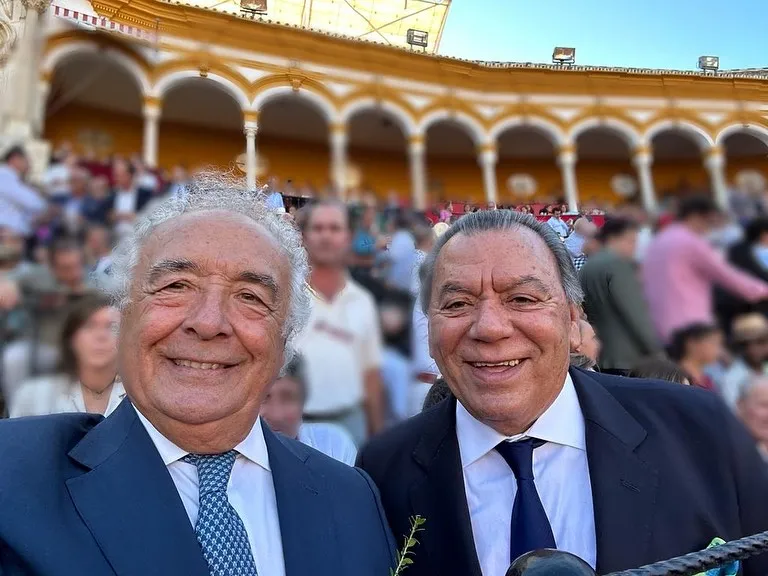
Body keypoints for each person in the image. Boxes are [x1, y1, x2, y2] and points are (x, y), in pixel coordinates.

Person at [0, 173, 396, 576]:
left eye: (249, 297)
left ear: (285, 341)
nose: (208, 322)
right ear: (123, 317)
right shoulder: (15, 478)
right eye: (176, 286)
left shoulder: (352, 500)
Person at [358, 210, 768, 576]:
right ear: (429, 330)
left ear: (573, 321)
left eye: (522, 298)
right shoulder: (383, 471)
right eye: (458, 304)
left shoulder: (698, 430)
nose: (489, 327)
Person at [297, 200, 385, 446]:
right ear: (305, 236)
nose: (326, 236)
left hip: (350, 423)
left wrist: (377, 437)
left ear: (347, 237)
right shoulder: (287, 296)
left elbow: (371, 374)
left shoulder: (362, 301)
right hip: (295, 425)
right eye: (319, 228)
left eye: (334, 228)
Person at [642, 195, 768, 344]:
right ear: (696, 216)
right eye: (709, 220)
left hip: (658, 322)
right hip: (689, 322)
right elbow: (726, 276)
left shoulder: (660, 239)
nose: (710, 226)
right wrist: (763, 290)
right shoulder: (689, 241)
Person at [10, 294, 123, 417]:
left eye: (112, 327)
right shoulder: (33, 395)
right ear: (71, 338)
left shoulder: (139, 397)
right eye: (89, 326)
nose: (101, 336)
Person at [579, 218, 661, 375]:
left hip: (599, 353)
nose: (634, 247)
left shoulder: (587, 267)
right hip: (628, 354)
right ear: (613, 239)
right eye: (631, 241)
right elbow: (635, 313)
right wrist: (656, 349)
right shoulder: (619, 265)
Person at [260, 354, 358, 466]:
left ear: (302, 402)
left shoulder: (333, 445)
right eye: (263, 398)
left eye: (288, 398)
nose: (276, 415)